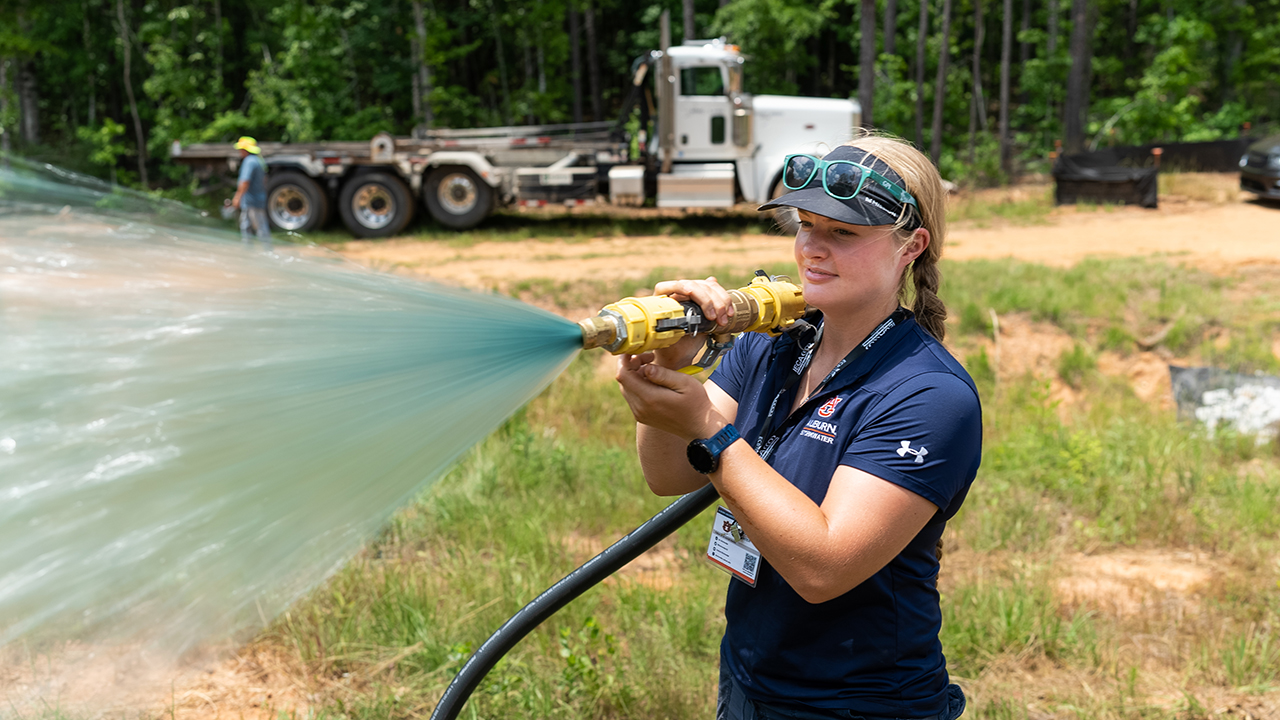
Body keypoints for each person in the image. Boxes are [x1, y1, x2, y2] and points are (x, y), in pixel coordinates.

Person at [614, 133, 981, 720]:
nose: (812, 247)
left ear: (911, 246)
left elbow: (823, 567)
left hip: (859, 703)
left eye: (843, 232)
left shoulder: (929, 395)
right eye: (805, 224)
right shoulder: (771, 348)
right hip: (749, 680)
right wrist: (668, 367)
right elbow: (668, 473)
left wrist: (710, 431)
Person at [231, 136, 272, 251]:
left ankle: (267, 251)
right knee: (246, 226)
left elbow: (244, 182)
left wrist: (237, 197)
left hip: (252, 201)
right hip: (255, 199)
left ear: (245, 150)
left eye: (241, 149)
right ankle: (247, 250)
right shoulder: (259, 161)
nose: (240, 152)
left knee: (260, 227)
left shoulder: (249, 162)